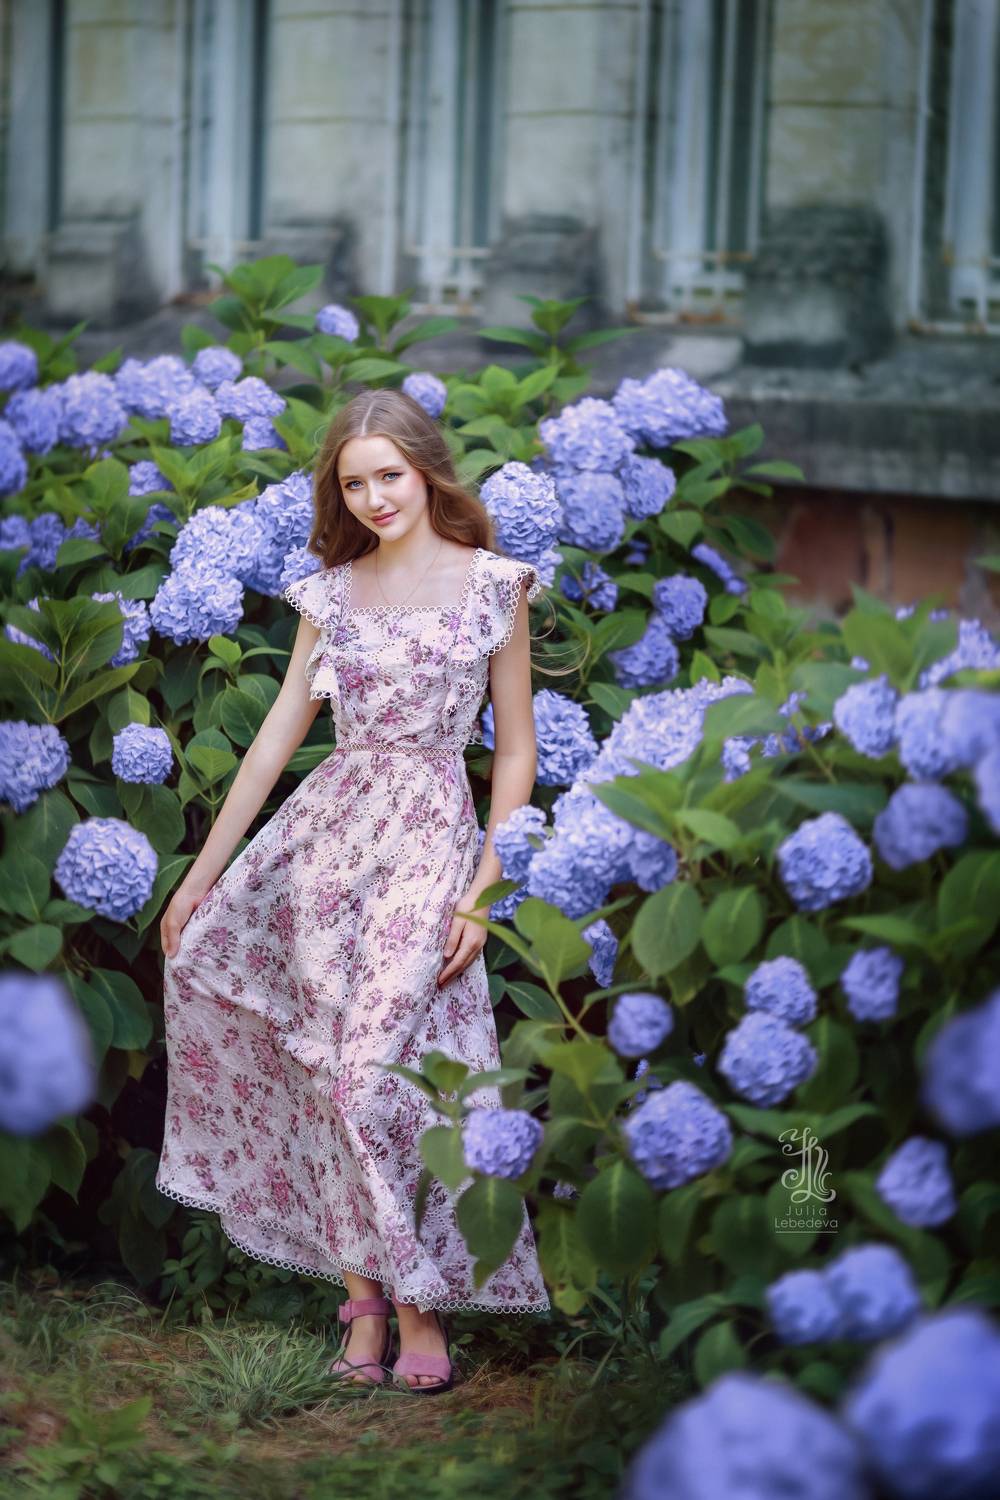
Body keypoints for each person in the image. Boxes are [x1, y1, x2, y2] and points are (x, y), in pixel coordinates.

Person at [156, 387, 551, 1394]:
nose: (375, 498)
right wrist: (197, 881)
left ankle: (416, 1306)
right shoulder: (329, 597)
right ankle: (365, 1305)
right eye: (354, 483)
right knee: (328, 1068)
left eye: (389, 475)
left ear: (426, 471)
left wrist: (484, 890)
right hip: (325, 852)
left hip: (428, 846)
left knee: (373, 1075)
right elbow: (271, 747)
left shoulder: (494, 587)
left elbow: (514, 751)